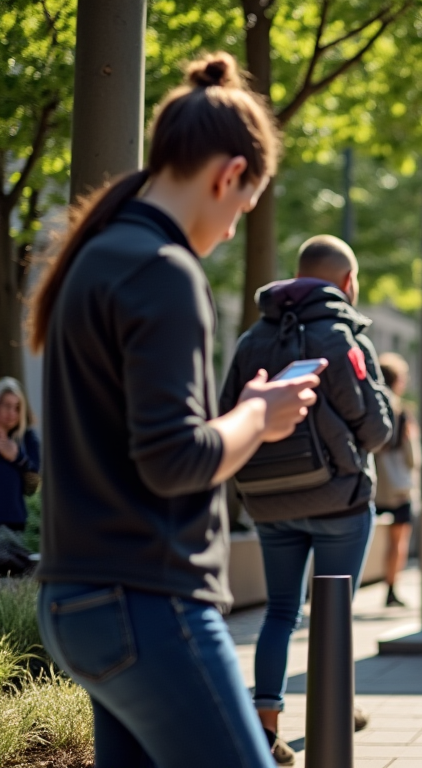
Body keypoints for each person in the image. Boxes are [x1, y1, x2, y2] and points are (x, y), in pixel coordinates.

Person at [31, 53, 316, 767]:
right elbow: (175, 460)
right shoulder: (164, 273)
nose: (228, 232)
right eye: (241, 211)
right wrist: (258, 414)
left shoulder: (95, 255)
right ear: (227, 177)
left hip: (77, 599)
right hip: (150, 601)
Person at [222, 234, 394, 762]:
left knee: (280, 610)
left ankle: (266, 724)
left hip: (270, 500)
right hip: (338, 500)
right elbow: (377, 428)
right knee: (333, 609)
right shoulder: (342, 336)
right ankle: (334, 710)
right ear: (347, 281)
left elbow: (228, 408)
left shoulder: (253, 336)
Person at [374, 352, 420, 608]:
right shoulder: (403, 412)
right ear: (398, 380)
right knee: (397, 540)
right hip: (398, 486)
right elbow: (414, 457)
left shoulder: (368, 406)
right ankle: (391, 591)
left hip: (371, 485)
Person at [0, 378, 39, 534]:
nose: (12, 413)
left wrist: (17, 457)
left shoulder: (28, 439)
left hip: (14, 524)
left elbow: (34, 487)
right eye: (7, 406)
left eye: (17, 407)